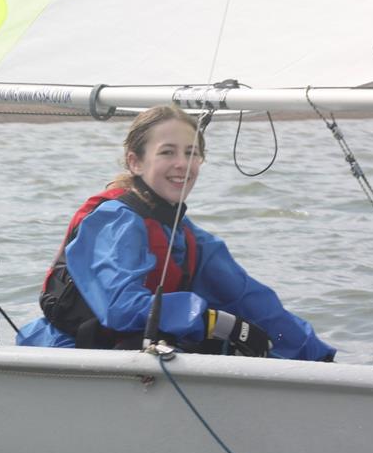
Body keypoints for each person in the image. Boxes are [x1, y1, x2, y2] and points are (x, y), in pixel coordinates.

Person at [17, 106, 335, 361]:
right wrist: (211, 322)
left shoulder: (188, 238)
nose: (183, 164)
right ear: (135, 162)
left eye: (192, 153)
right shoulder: (114, 220)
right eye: (168, 152)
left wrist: (320, 360)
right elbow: (121, 306)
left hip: (135, 360)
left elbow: (252, 301)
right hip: (68, 357)